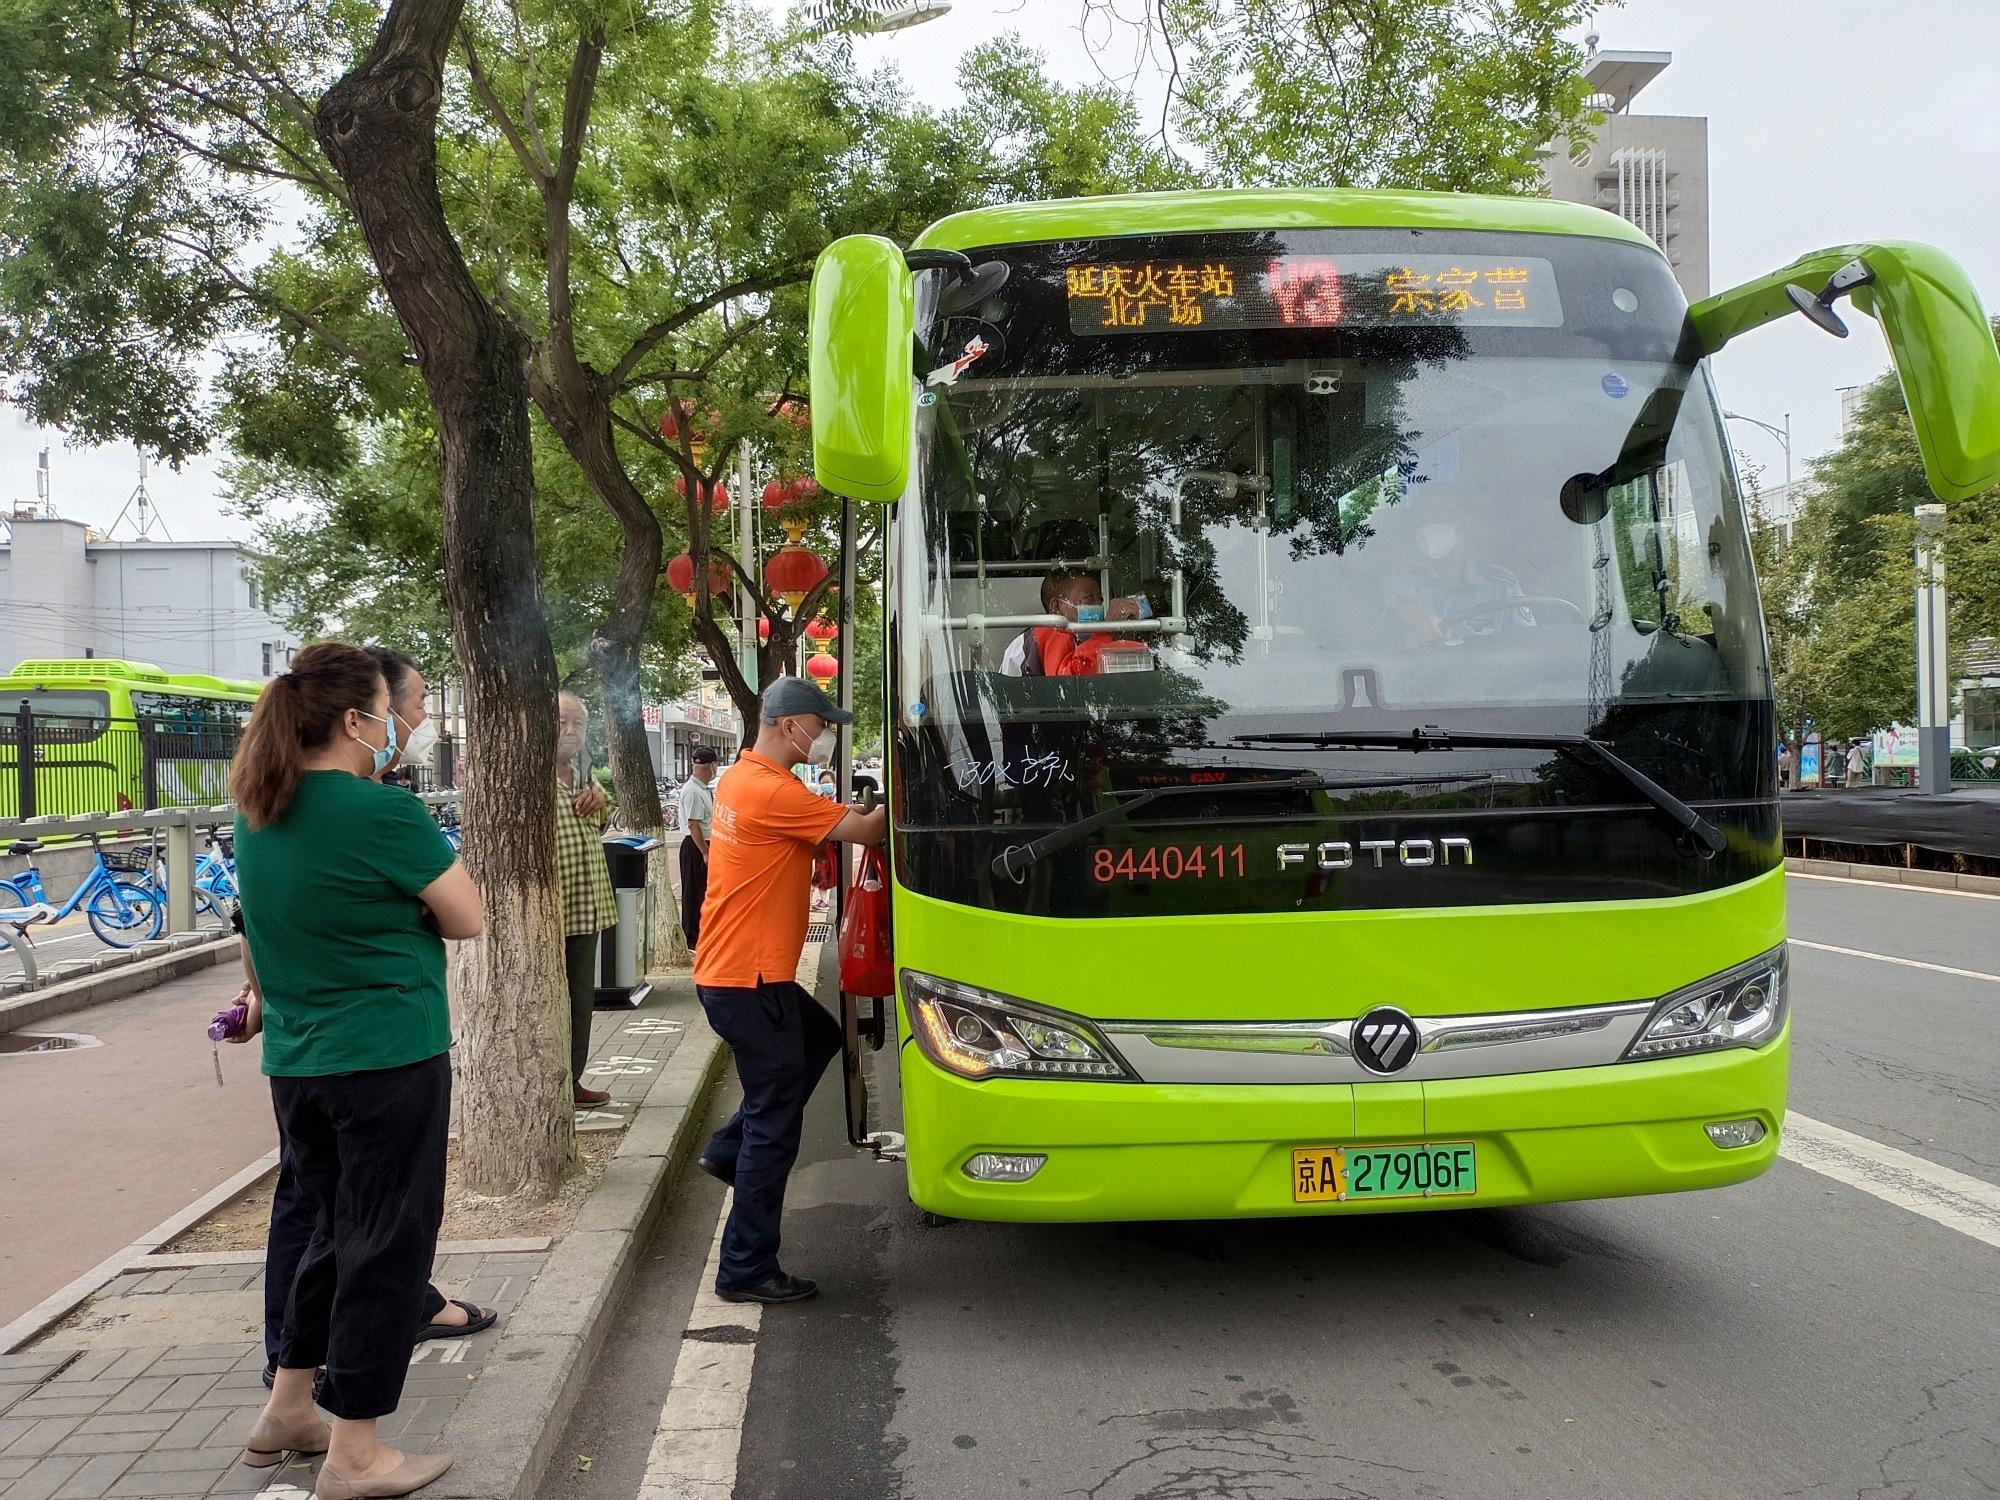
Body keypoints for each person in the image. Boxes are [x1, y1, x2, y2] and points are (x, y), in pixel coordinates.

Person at [230, 642, 483, 1499]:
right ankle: (358, 1451)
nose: (397, 728)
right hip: (387, 1056)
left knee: (330, 1235)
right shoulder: (383, 814)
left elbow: (260, 933)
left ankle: (289, 1408)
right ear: (353, 720)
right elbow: (468, 916)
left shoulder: (259, 808)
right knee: (385, 1247)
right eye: (388, 711)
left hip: (298, 1064)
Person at [692, 677, 887, 1305]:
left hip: (737, 974)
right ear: (788, 724)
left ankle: (728, 1149)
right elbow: (870, 831)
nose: (824, 735)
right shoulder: (771, 791)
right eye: (820, 723)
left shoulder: (742, 780)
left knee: (824, 1036)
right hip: (751, 979)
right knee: (774, 1124)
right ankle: (745, 1269)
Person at [556, 692, 616, 1108]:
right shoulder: (520, 777)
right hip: (548, 913)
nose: (571, 731)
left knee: (581, 1002)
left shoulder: (581, 772)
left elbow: (601, 816)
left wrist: (601, 801)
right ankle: (550, 1083)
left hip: (586, 907)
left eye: (578, 723)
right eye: (562, 721)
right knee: (546, 1005)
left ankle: (573, 1081)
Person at [1385, 518, 1534, 646]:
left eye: (1439, 517)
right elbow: (1404, 603)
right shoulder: (1405, 579)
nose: (1430, 525)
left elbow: (1527, 644)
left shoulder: (1501, 585)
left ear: (1463, 525)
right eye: (1425, 519)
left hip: (1492, 677)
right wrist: (1423, 619)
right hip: (1417, 676)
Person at [676, 746, 719, 950]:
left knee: (704, 891)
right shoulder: (693, 790)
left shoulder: (702, 788)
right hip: (696, 846)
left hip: (703, 843)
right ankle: (692, 938)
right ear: (711, 765)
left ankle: (702, 934)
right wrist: (705, 852)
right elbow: (693, 824)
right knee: (694, 893)